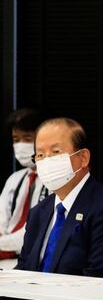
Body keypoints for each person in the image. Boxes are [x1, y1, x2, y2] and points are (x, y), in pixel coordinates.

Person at [16, 117, 103, 277]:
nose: (47, 161)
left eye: (56, 152)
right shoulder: (39, 212)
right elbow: (23, 269)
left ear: (83, 158)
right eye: (40, 155)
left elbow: (101, 277)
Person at [0, 109, 48, 267]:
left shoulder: (54, 180)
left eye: (27, 138)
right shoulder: (15, 179)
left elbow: (34, 233)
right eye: (16, 139)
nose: (20, 145)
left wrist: (3, 244)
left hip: (33, 261)